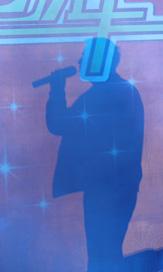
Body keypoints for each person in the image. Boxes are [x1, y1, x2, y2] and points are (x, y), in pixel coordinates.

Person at [45, 38, 144, 272]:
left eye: (85, 57)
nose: (79, 61)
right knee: (105, 255)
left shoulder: (106, 95)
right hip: (112, 187)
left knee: (103, 257)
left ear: (99, 62)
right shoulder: (116, 92)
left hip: (107, 189)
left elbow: (59, 124)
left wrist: (57, 89)